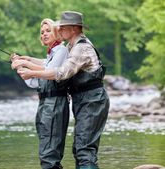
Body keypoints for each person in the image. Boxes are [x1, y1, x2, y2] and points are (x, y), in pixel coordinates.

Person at [12, 11, 110, 169]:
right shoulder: (72, 46)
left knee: (84, 149)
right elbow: (49, 63)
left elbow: (61, 72)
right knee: (80, 148)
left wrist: (31, 72)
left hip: (92, 100)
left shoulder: (81, 48)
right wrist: (27, 60)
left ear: (73, 29)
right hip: (83, 100)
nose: (60, 30)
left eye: (63, 28)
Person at [11, 18, 70, 169]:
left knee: (50, 152)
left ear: (57, 33)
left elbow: (50, 70)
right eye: (42, 32)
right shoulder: (51, 55)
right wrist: (21, 68)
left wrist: (25, 64)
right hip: (44, 104)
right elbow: (34, 81)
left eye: (48, 31)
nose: (44, 34)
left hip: (55, 103)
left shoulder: (62, 51)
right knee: (45, 148)